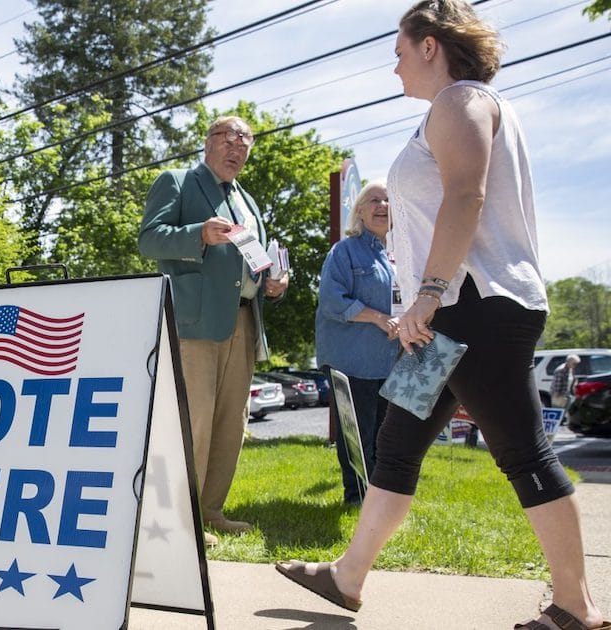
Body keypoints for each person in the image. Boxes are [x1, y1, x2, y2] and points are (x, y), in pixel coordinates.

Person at [276, 2, 607, 628]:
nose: (393, 63)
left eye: (399, 49)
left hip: (474, 308)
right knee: (396, 445)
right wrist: (421, 305)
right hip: (445, 319)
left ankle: (577, 606)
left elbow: (466, 194)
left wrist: (428, 293)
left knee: (523, 452)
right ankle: (347, 577)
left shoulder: (461, 101)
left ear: (431, 45)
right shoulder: (450, 110)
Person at [139, 115, 289, 546]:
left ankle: (210, 510)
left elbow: (253, 261)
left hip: (244, 319)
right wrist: (198, 234)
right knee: (194, 419)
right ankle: (177, 517)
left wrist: (272, 282)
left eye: (246, 140)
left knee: (230, 422)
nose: (237, 146)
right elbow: (150, 239)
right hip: (196, 319)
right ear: (207, 143)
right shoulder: (179, 181)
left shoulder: (248, 201)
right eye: (229, 136)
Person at [314, 181, 401, 506]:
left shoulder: (397, 256)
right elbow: (332, 301)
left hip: (389, 362)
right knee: (358, 436)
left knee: (384, 435)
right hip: (352, 361)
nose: (382, 205)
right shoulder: (344, 251)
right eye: (374, 200)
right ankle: (357, 497)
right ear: (360, 211)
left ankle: (377, 500)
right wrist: (379, 318)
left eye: (388, 200)